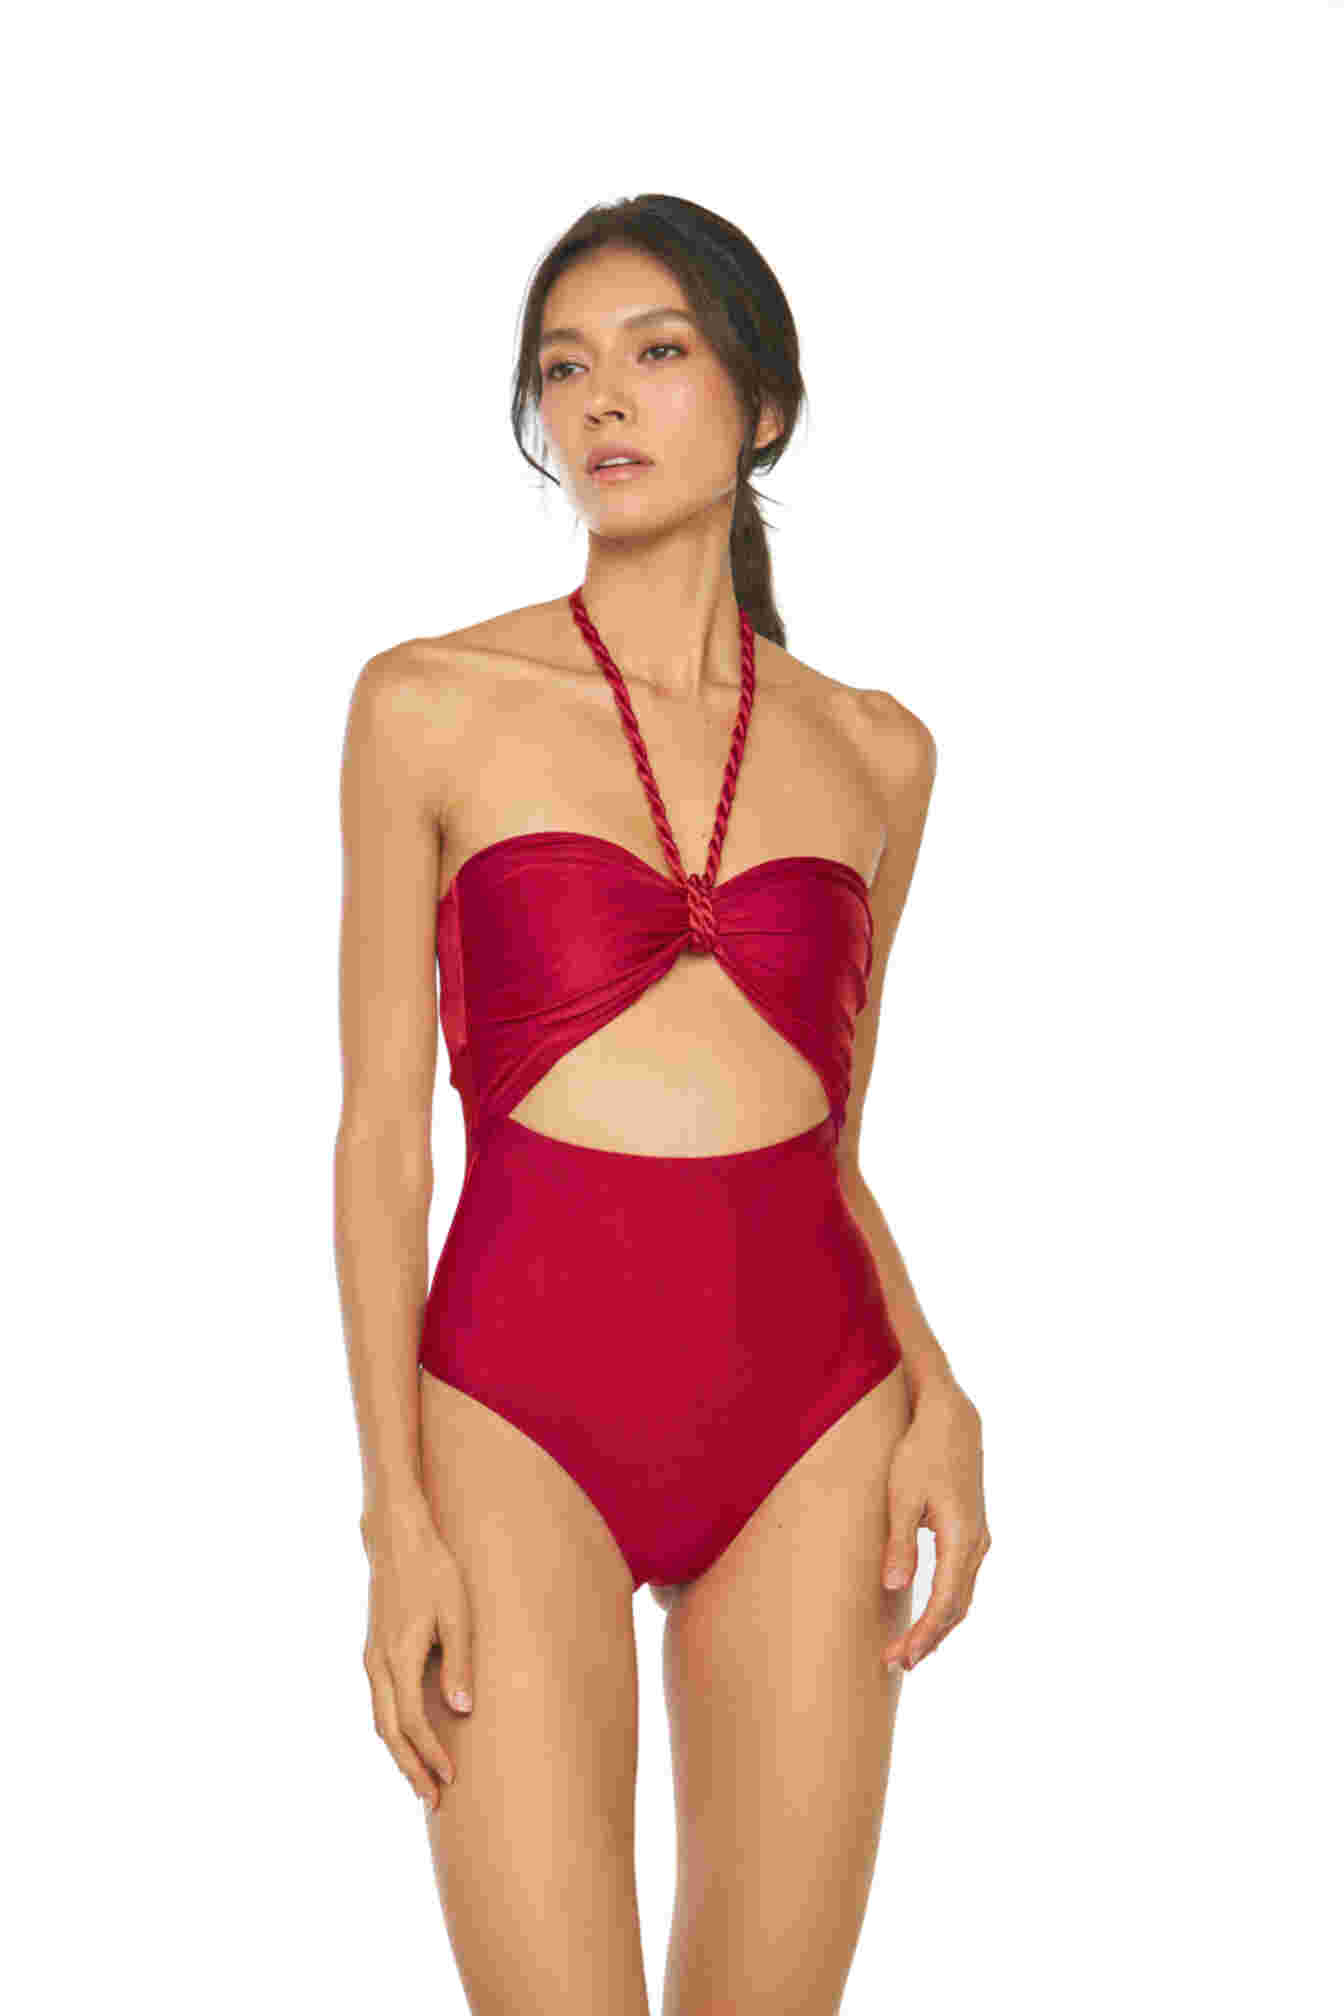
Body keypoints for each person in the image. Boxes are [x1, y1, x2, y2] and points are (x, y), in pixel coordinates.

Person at [334, 193, 991, 2015]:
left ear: (764, 405)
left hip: (818, 1415)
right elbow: (380, 1136)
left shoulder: (876, 752)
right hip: (510, 1409)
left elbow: (834, 1145)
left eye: (658, 351)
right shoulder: (427, 706)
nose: (601, 401)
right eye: (563, 368)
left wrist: (939, 1390)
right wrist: (394, 1517)